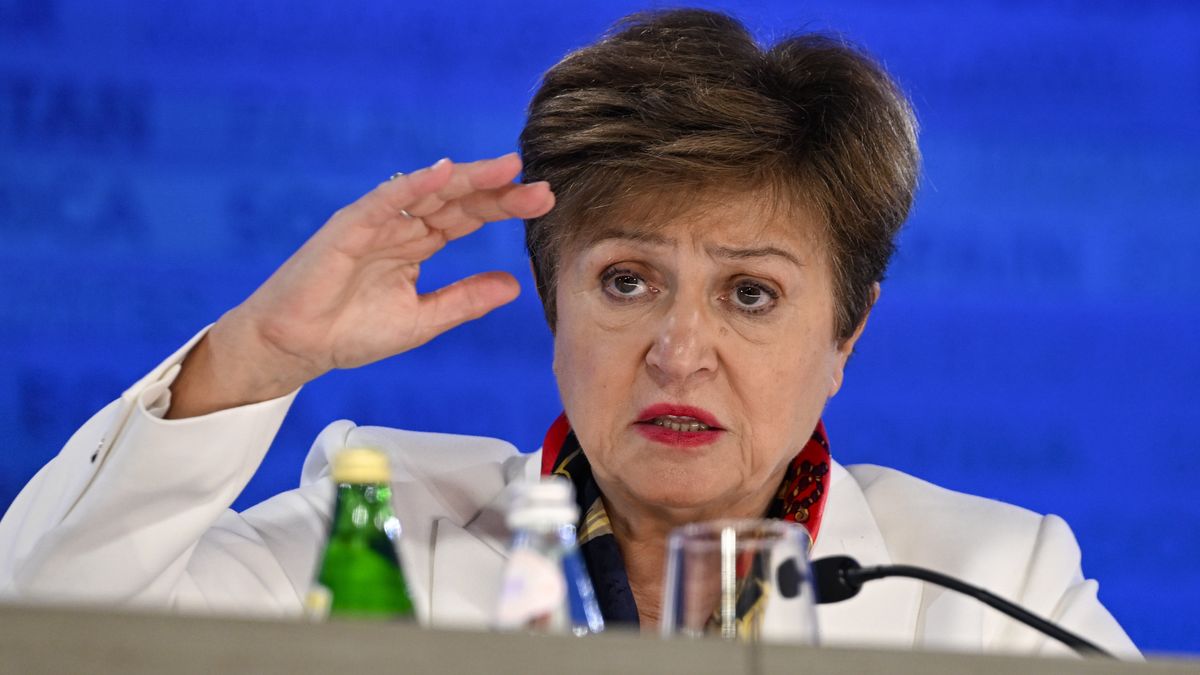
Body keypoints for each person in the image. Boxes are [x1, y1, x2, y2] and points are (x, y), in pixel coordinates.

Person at [0, 8, 1136, 657]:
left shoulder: (993, 581)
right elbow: (47, 638)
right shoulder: (381, 533)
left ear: (846, 335)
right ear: (557, 308)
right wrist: (260, 353)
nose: (679, 350)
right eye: (629, 281)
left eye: (750, 294)